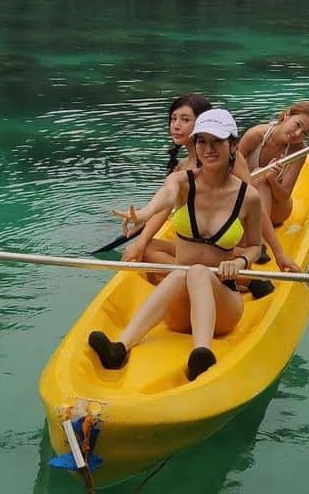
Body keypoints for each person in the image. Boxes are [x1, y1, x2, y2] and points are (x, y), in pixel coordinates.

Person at [90, 108, 263, 380]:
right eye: (201, 141)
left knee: (195, 271)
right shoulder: (182, 182)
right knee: (184, 272)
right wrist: (145, 214)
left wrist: (240, 262)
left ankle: (201, 354)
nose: (208, 149)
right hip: (180, 310)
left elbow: (256, 246)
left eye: (216, 141)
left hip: (223, 307)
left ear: (233, 145)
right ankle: (120, 348)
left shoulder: (248, 197)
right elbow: (167, 195)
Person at [124, 93, 299, 275]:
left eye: (184, 120)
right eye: (173, 119)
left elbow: (253, 203)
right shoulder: (182, 168)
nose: (176, 125)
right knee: (146, 248)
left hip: (229, 242)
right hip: (200, 243)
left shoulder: (229, 158)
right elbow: (164, 204)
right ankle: (194, 275)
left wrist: (279, 254)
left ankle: (238, 278)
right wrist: (143, 222)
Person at [239, 100, 309, 228]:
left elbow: (284, 196)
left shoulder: (299, 151)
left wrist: (272, 180)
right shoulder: (255, 135)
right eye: (298, 124)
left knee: (263, 179)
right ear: (287, 115)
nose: (297, 134)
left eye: (305, 133)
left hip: (278, 209)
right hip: (247, 197)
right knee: (258, 177)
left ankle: (258, 239)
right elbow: (228, 169)